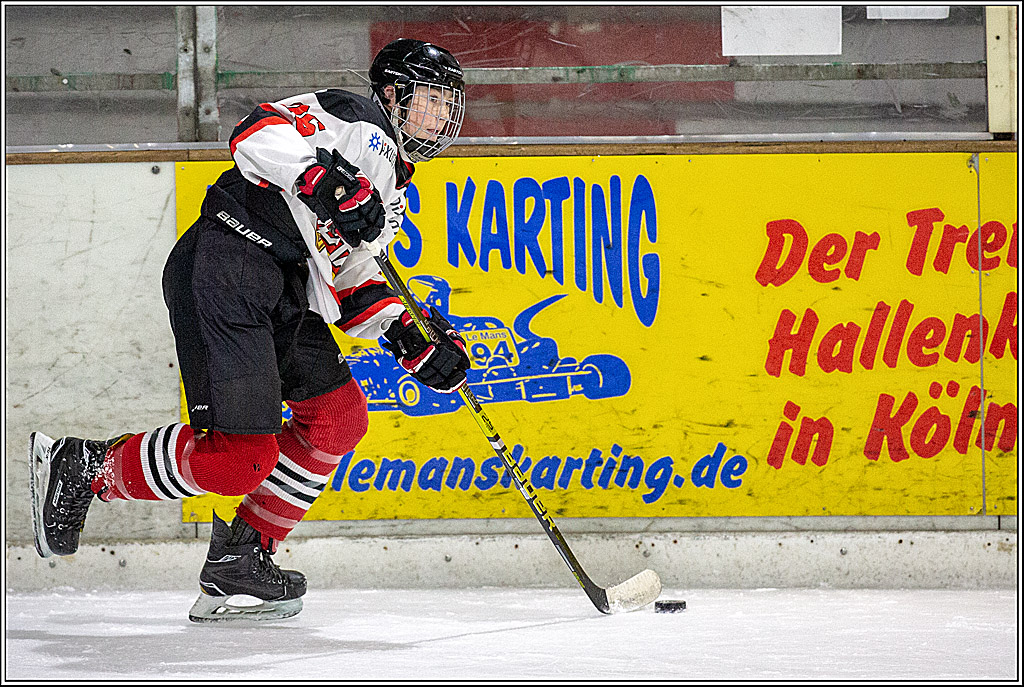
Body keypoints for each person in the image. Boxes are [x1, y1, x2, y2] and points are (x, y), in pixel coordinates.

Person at [28, 38, 471, 622]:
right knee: (238, 460)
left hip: (283, 286)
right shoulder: (353, 120)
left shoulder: (392, 185)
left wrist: (409, 335)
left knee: (339, 418)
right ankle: (85, 467)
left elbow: (350, 274)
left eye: (449, 106)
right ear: (392, 93)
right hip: (226, 265)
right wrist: (323, 179)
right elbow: (256, 134)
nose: (442, 117)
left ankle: (242, 556)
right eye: (431, 101)